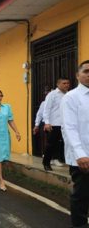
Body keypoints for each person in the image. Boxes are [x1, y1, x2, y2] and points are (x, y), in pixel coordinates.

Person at [61, 60, 89, 228]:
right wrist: (80, 154)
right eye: (86, 71)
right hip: (83, 157)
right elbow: (69, 128)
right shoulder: (71, 97)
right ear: (78, 75)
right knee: (82, 197)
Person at [42, 77, 70, 171]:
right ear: (58, 84)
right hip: (54, 124)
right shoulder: (52, 95)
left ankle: (70, 163)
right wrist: (47, 123)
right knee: (51, 144)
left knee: (66, 144)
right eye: (64, 83)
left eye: (67, 83)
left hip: (66, 124)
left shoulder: (69, 95)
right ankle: (46, 163)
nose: (66, 85)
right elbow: (46, 109)